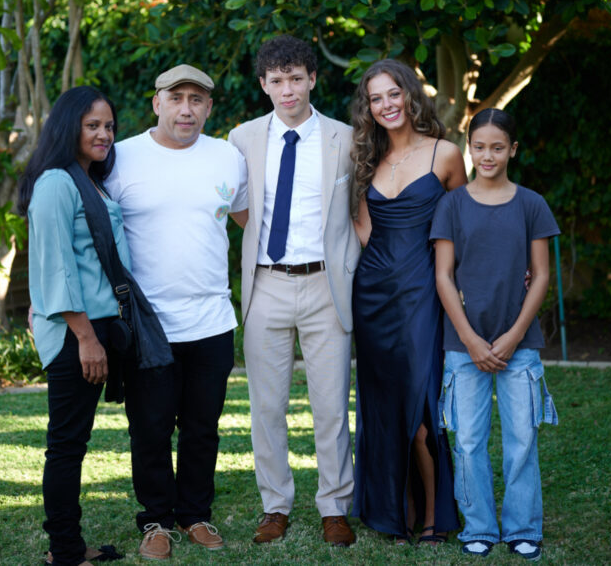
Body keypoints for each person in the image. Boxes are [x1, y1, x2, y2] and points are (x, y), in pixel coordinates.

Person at [103, 64, 248, 560]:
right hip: (147, 324)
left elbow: (248, 221)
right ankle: (156, 521)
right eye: (176, 98)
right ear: (157, 103)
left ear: (209, 107)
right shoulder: (121, 158)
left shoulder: (227, 157)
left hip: (212, 320)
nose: (187, 109)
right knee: (150, 428)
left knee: (202, 427)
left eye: (197, 100)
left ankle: (195, 514)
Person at [227, 35, 361, 547]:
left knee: (331, 405)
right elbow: (240, 207)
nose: (288, 89)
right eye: (277, 80)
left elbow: (360, 209)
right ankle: (275, 505)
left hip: (326, 284)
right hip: (266, 284)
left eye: (296, 79)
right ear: (263, 84)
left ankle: (334, 507)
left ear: (312, 80)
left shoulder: (344, 138)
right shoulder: (242, 138)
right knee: (267, 407)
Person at [430, 108, 560, 561]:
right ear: (469, 149)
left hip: (518, 346)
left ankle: (523, 527)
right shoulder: (451, 206)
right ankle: (480, 526)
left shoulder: (531, 204)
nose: (488, 156)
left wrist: (515, 334)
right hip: (463, 345)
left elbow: (541, 276)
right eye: (480, 147)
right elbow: (443, 276)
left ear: (513, 150)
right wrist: (469, 338)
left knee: (522, 439)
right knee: (468, 440)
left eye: (498, 148)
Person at [348, 59, 466, 545]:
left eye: (393, 93)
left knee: (421, 410)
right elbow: (363, 230)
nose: (386, 105)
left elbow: (466, 222)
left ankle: (436, 511)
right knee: (385, 408)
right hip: (373, 297)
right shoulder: (365, 160)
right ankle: (400, 511)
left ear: (410, 95)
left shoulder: (446, 154)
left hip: (424, 294)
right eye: (375, 98)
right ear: (368, 108)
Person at [19, 86, 136, 566]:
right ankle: (65, 550)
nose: (104, 134)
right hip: (77, 332)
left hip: (100, 325)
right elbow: (57, 267)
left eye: (109, 126)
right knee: (66, 445)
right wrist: (86, 338)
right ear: (69, 128)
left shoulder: (87, 180)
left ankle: (69, 542)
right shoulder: (55, 183)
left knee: (76, 441)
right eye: (92, 126)